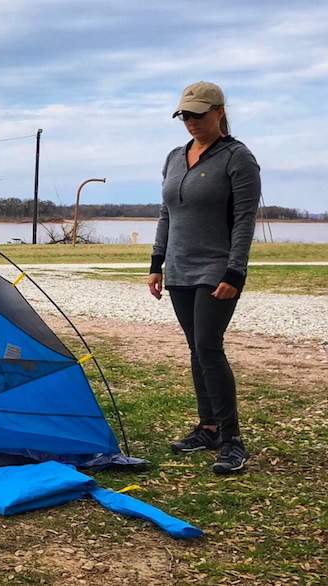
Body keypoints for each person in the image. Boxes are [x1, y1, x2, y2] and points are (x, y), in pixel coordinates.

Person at [147, 81, 261, 475]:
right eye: (185, 116)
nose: (191, 122)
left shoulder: (238, 158)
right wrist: (156, 263)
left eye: (199, 114)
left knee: (210, 347)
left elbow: (245, 220)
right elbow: (167, 215)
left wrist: (235, 270)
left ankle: (232, 440)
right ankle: (208, 427)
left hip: (217, 269)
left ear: (219, 112)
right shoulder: (175, 157)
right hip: (178, 268)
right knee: (196, 348)